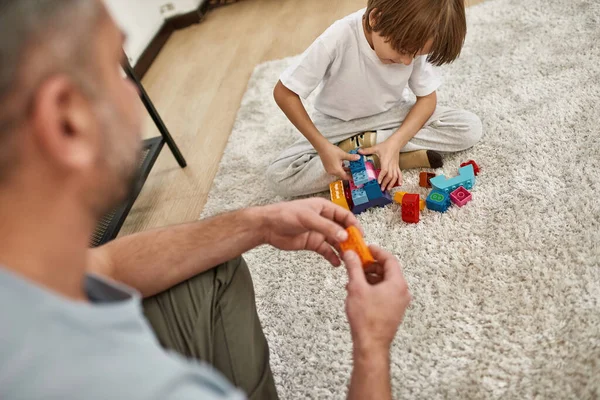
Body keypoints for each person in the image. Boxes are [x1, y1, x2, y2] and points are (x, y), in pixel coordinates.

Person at [0, 1, 411, 399]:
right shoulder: (128, 383)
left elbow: (102, 266)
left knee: (215, 266)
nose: (133, 90)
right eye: (115, 68)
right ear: (65, 119)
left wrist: (258, 224)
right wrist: (371, 345)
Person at [266, 0, 483, 197]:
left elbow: (427, 100)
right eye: (403, 51)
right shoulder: (337, 38)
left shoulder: (415, 38)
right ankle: (379, 153)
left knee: (468, 127)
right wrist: (323, 147)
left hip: (389, 116)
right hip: (336, 124)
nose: (407, 62)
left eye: (415, 55)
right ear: (375, 18)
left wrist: (395, 142)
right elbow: (284, 93)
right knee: (281, 176)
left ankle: (379, 150)